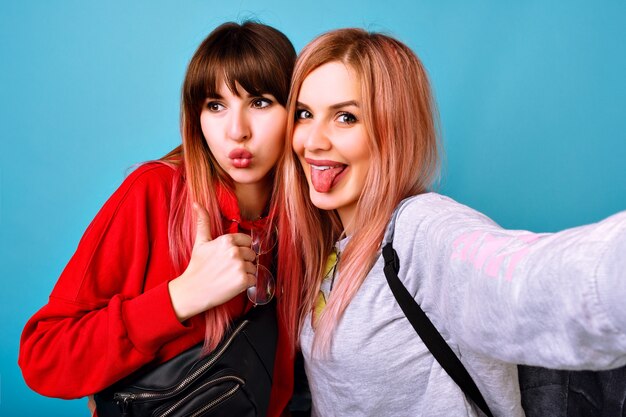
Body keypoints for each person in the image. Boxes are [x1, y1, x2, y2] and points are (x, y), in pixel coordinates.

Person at [279, 28, 626, 416]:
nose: (312, 141)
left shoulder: (421, 229)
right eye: (304, 114)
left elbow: (531, 279)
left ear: (394, 130)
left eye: (346, 117)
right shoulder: (329, 243)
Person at [19, 21, 300, 417]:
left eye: (260, 102)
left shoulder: (303, 219)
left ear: (296, 112)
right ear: (196, 117)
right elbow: (44, 356)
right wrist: (180, 297)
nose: (237, 131)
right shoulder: (155, 193)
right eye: (215, 106)